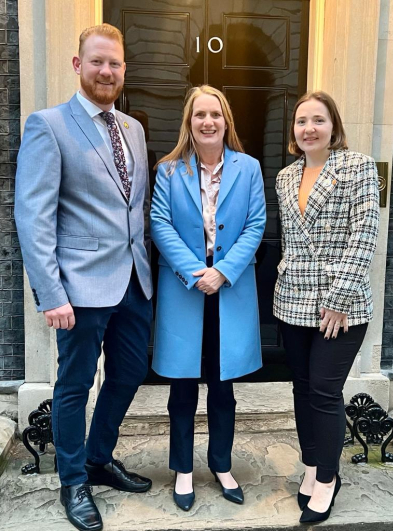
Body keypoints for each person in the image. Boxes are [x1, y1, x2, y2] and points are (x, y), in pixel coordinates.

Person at [14, 24, 153, 531]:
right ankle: (72, 481)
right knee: (74, 385)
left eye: (114, 63)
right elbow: (33, 216)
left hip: (134, 282)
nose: (106, 71)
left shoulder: (133, 128)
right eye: (97, 62)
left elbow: (132, 206)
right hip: (78, 287)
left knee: (130, 372)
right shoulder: (48, 125)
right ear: (78, 65)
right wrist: (51, 293)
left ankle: (98, 458)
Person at [150, 85, 266, 512]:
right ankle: (182, 469)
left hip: (229, 290)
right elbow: (159, 224)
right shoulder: (168, 170)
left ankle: (221, 464)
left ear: (226, 120)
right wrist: (196, 272)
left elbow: (256, 224)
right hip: (186, 289)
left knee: (223, 388)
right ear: (189, 121)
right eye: (199, 114)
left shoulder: (249, 168)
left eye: (215, 114)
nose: (208, 121)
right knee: (182, 388)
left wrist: (223, 272)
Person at [273, 91, 380, 524]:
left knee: (324, 390)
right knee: (301, 389)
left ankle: (328, 478)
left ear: (333, 127)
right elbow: (290, 240)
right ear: (294, 131)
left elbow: (365, 235)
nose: (309, 129)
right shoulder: (284, 176)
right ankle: (311, 464)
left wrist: (338, 299)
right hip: (293, 298)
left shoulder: (358, 167)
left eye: (318, 120)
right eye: (301, 121)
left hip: (343, 304)